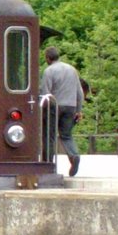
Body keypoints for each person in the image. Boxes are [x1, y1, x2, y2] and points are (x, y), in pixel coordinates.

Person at [41, 46, 83, 176]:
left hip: (55, 106)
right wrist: (79, 110)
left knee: (49, 135)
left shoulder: (49, 71)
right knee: (66, 135)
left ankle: (47, 165)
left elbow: (46, 93)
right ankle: (74, 155)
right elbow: (79, 91)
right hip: (71, 106)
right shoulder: (72, 70)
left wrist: (44, 108)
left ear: (48, 58)